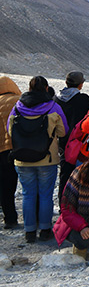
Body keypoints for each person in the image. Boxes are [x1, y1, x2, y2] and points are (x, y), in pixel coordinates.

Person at [7, 76, 68, 243]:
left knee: (28, 194)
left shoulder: (17, 107)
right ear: (46, 88)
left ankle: (29, 231)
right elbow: (63, 131)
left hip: (22, 159)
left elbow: (10, 130)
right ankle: (45, 229)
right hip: (47, 159)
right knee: (46, 195)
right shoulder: (53, 107)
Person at [53, 71, 89, 203]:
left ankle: (62, 202)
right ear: (81, 84)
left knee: (64, 174)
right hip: (79, 142)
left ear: (66, 83)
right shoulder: (84, 100)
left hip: (62, 142)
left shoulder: (56, 99)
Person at [0, 76, 22, 229]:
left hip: (1, 150)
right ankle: (34, 220)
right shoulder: (20, 101)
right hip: (19, 148)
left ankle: (10, 218)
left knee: (4, 186)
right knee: (27, 186)